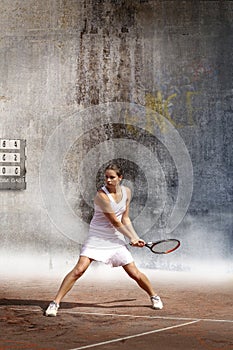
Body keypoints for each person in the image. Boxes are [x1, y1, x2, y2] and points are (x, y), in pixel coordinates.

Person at [45, 163, 163, 316]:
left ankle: (154, 296)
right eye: (106, 177)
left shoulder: (127, 192)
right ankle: (55, 303)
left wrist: (135, 236)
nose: (108, 180)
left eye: (112, 177)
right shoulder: (101, 196)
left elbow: (125, 218)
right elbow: (115, 221)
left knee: (134, 273)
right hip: (97, 237)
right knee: (79, 270)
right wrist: (131, 238)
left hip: (115, 239)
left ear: (120, 178)